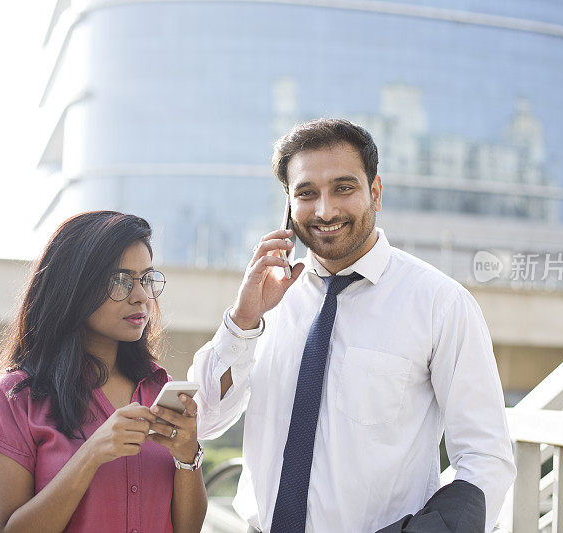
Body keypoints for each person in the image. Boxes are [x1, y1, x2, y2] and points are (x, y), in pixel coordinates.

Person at [189, 119, 516, 532]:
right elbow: (204, 418)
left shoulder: (440, 304)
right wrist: (243, 321)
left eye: (344, 188)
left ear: (375, 192)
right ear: (289, 204)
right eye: (307, 193)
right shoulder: (266, 299)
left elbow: (486, 458)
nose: (325, 210)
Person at [0, 211, 207, 533]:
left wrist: (187, 456)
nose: (141, 296)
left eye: (145, 278)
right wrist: (91, 454)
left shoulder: (160, 388)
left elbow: (188, 529)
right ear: (73, 286)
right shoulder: (14, 398)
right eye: (120, 280)